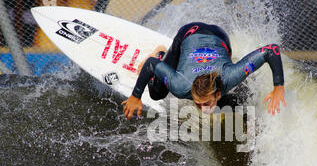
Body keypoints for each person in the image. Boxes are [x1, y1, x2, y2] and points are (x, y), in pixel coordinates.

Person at [122, 22, 286, 119]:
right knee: (157, 92)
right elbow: (150, 64)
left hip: (219, 35)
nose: (203, 108)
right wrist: (135, 96)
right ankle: (161, 53)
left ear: (218, 93)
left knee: (236, 102)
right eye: (198, 104)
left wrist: (278, 87)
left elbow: (271, 50)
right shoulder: (180, 85)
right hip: (188, 33)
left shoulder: (230, 76)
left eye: (206, 103)